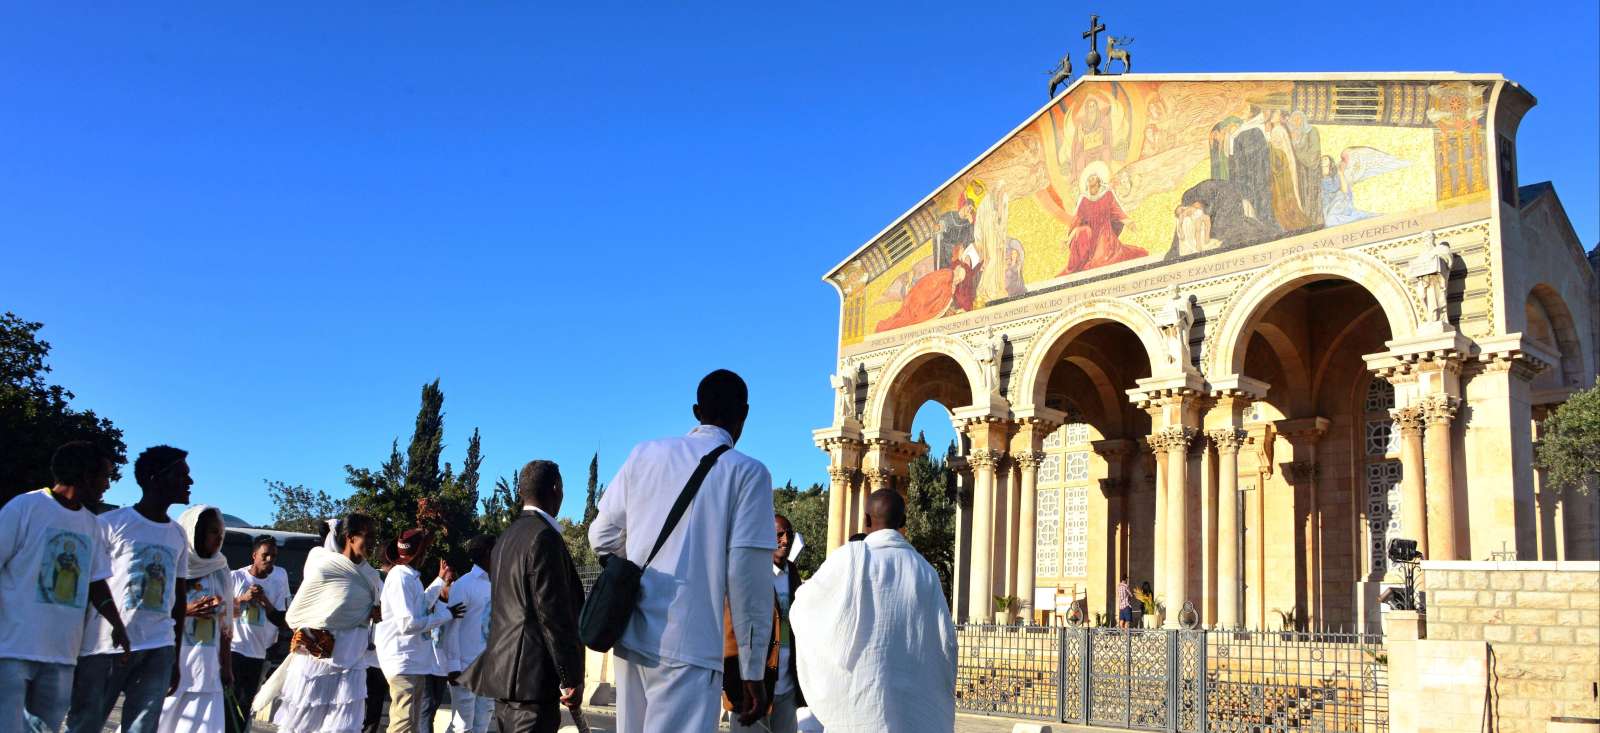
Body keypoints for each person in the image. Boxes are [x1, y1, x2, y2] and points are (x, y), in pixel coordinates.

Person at [588, 370, 777, 733]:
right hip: (690, 644)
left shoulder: (644, 455)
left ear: (696, 411)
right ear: (745, 414)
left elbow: (601, 536)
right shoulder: (749, 474)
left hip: (631, 634)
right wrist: (752, 672)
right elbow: (748, 580)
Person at [791, 489, 957, 733]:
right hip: (911, 707)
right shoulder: (925, 572)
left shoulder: (849, 558)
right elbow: (946, 642)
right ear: (903, 522)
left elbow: (804, 606)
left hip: (862, 699)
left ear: (866, 520)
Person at [0, 442, 130, 732]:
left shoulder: (92, 525)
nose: (108, 485)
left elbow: (97, 582)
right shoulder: (25, 507)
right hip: (12, 650)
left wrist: (117, 624)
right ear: (84, 475)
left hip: (62, 653)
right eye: (105, 475)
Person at [68, 445, 196, 733]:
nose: (189, 482)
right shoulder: (110, 524)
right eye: (181, 474)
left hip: (158, 648)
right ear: (155, 478)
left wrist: (174, 656)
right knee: (85, 725)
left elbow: (177, 599)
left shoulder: (177, 534)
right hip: (104, 647)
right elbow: (86, 586)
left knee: (142, 728)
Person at [461, 460, 582, 733]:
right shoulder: (544, 537)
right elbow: (552, 614)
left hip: (504, 675)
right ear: (556, 489)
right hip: (532, 680)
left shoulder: (506, 537)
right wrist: (570, 677)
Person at [260, 513, 382, 733]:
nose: (374, 541)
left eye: (375, 536)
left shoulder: (372, 576)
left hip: (353, 660)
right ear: (350, 537)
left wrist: (373, 612)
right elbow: (296, 614)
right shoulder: (325, 568)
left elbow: (370, 609)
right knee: (302, 727)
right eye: (369, 535)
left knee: (344, 728)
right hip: (318, 662)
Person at [375, 528, 463, 733]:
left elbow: (421, 605)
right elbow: (409, 623)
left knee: (412, 722)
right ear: (421, 552)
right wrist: (445, 615)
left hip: (414, 661)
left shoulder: (410, 577)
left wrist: (440, 580)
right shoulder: (400, 578)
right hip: (403, 661)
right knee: (403, 723)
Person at [158, 505, 235, 733]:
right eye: (213, 531)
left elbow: (226, 624)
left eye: (221, 532)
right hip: (174, 661)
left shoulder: (221, 569)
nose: (219, 537)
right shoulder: (174, 562)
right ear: (195, 531)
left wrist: (227, 666)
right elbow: (157, 609)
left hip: (207, 665)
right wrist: (188, 609)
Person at [727, 514, 806, 733]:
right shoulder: (748, 573)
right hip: (753, 685)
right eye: (779, 534)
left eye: (789, 534)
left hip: (786, 687)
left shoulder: (793, 575)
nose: (785, 541)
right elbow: (732, 630)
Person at [230, 535, 290, 730]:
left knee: (247, 704)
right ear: (254, 555)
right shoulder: (236, 577)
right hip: (234, 649)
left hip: (258, 652)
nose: (269, 560)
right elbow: (222, 610)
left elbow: (281, 619)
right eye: (265, 555)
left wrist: (264, 601)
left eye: (273, 556)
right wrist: (243, 598)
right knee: (229, 701)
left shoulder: (279, 578)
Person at [443, 536, 495, 733]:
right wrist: (453, 666)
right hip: (465, 667)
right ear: (487, 553)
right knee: (462, 725)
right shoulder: (464, 585)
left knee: (483, 720)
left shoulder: (497, 582)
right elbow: (452, 627)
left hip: (489, 666)